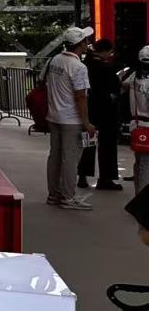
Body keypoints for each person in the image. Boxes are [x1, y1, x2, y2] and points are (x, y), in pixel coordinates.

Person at [45, 26, 98, 212]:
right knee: (70, 159)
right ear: (80, 44)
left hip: (54, 116)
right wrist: (86, 122)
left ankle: (54, 194)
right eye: (86, 40)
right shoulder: (79, 67)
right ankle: (68, 197)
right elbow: (80, 96)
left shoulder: (55, 60)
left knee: (55, 156)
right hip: (71, 120)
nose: (88, 43)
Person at [78, 39, 124, 190]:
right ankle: (105, 178)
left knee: (88, 143)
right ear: (105, 51)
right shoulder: (106, 68)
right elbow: (116, 88)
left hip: (90, 110)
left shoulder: (85, 65)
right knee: (107, 146)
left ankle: (82, 176)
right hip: (107, 112)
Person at [124, 46, 149, 194]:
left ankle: (138, 194)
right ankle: (142, 199)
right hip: (147, 125)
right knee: (146, 165)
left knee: (139, 162)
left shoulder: (134, 76)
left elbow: (123, 84)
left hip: (136, 124)